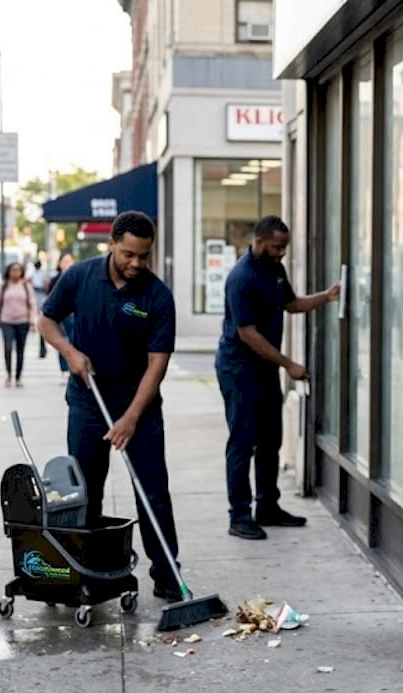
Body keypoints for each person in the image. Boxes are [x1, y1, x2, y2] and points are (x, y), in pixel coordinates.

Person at [39, 211, 185, 602]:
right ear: (112, 244)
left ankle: (168, 574)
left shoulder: (156, 296)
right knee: (86, 488)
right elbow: (46, 320)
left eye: (144, 256)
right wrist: (69, 352)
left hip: (140, 404)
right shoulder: (80, 277)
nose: (136, 263)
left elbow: (158, 363)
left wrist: (131, 418)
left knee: (153, 490)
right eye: (128, 254)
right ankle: (86, 571)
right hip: (88, 400)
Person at [215, 215, 340, 540]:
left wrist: (326, 297)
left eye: (284, 247)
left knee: (271, 439)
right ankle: (239, 516)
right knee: (243, 442)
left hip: (264, 367)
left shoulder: (275, 269)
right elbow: (248, 334)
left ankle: (267, 506)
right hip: (239, 368)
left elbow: (292, 304)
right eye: (276, 247)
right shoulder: (241, 278)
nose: (282, 252)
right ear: (258, 242)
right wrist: (289, 364)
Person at [0, 262, 36, 388]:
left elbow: (32, 305)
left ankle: (18, 377)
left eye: (18, 270)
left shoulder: (26, 286)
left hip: (23, 321)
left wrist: (32, 321)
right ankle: (9, 375)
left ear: (22, 272)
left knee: (20, 350)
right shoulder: (3, 287)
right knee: (8, 348)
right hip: (6, 321)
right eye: (13, 270)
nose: (15, 273)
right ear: (8, 271)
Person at [52, 253, 77, 378]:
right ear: (59, 263)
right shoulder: (55, 279)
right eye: (64, 261)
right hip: (61, 316)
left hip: (75, 315)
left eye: (69, 261)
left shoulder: (78, 278)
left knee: (74, 340)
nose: (67, 264)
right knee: (62, 341)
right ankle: (64, 368)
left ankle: (72, 365)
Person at [32, 259, 52, 359]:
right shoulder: (33, 274)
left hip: (42, 299)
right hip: (36, 300)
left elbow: (46, 286)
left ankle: (43, 348)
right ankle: (42, 348)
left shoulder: (43, 274)